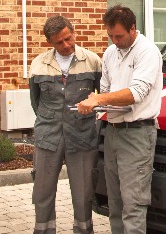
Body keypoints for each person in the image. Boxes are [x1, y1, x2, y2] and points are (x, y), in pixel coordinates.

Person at [75, 5, 162, 234]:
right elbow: (104, 89)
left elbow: (137, 92)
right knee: (115, 202)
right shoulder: (110, 53)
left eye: (119, 36)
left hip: (137, 133)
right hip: (112, 131)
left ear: (133, 28)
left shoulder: (147, 51)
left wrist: (98, 99)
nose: (115, 40)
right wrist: (92, 102)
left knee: (133, 204)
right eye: (110, 35)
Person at [30, 16, 103, 234]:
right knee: (42, 191)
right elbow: (36, 102)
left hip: (82, 136)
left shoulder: (93, 61)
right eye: (59, 42)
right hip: (47, 137)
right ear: (50, 43)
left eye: (68, 39)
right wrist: (51, 119)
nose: (66, 46)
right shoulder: (38, 64)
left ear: (73, 32)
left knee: (83, 193)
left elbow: (102, 95)